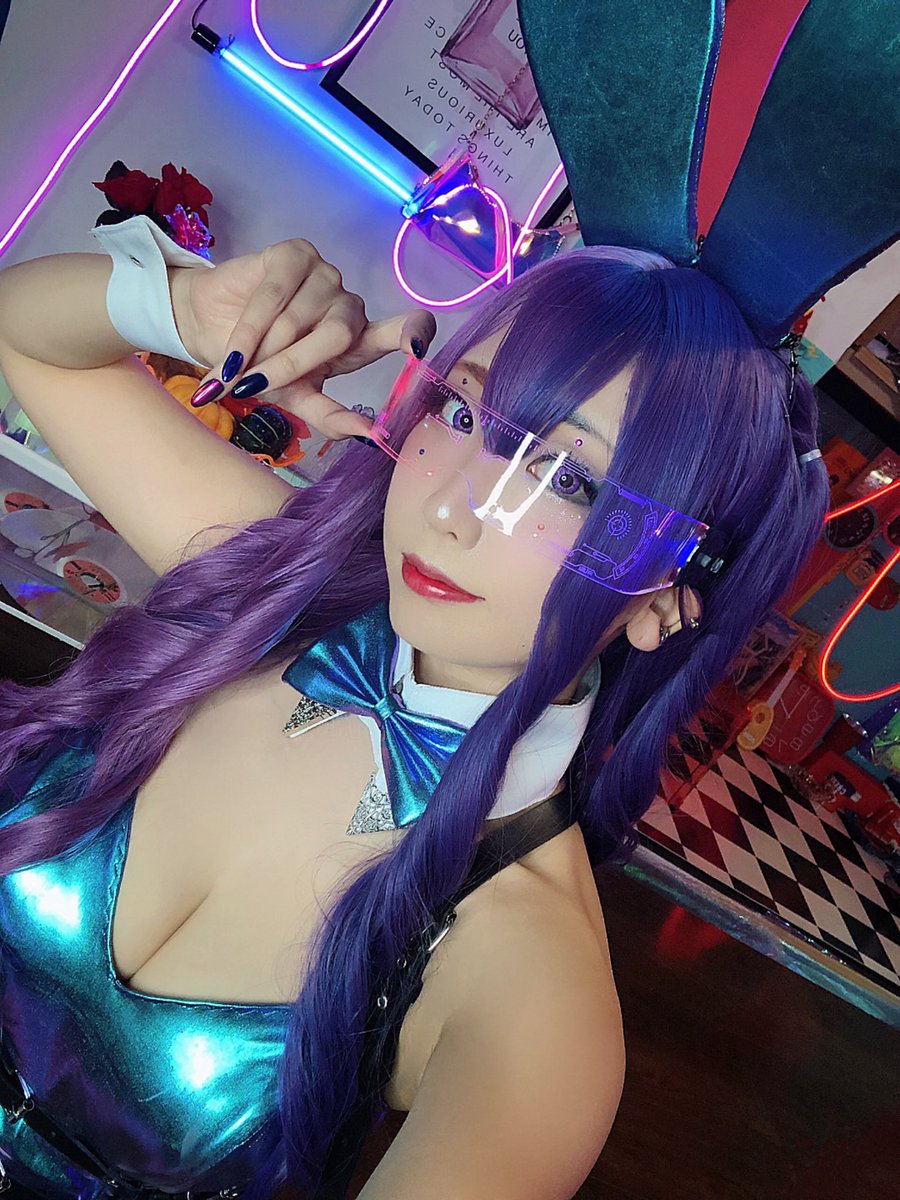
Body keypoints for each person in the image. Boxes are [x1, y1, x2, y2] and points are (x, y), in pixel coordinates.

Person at [0, 221, 827, 1200]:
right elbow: (28, 334)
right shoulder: (274, 590)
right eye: (464, 414)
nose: (449, 509)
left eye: (569, 480)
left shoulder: (534, 999)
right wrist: (186, 308)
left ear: (667, 601)